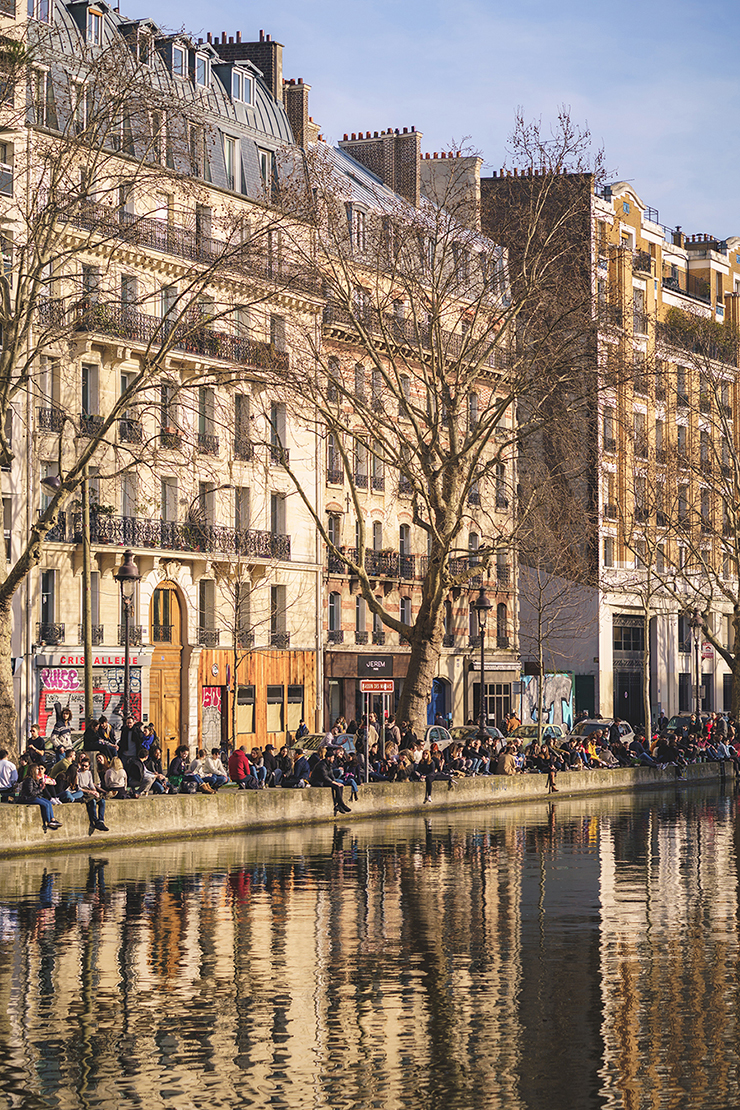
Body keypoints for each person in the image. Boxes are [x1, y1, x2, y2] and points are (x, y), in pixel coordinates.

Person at [18, 763, 61, 830]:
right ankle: (49, 822)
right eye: (37, 769)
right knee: (46, 804)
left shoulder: (34, 779)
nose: (38, 770)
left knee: (49, 803)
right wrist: (40, 789)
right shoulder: (29, 780)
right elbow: (30, 792)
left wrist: (40, 787)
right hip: (28, 798)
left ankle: (53, 819)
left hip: (34, 796)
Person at [310, 749, 351, 815]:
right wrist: (333, 782)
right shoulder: (322, 765)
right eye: (332, 758)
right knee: (336, 786)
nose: (333, 760)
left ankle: (339, 805)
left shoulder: (329, 765)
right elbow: (324, 776)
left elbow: (331, 775)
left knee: (340, 786)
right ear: (328, 758)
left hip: (323, 780)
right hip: (317, 781)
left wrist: (335, 781)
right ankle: (342, 804)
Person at [77, 755, 108, 831]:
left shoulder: (89, 773)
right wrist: (90, 791)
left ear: (89, 766)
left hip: (90, 790)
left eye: (85, 766)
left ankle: (101, 820)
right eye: (82, 765)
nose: (84, 767)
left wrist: (95, 791)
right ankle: (95, 820)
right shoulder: (78, 773)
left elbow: (91, 784)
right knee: (93, 802)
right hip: (83, 791)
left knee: (102, 801)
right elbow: (78, 787)